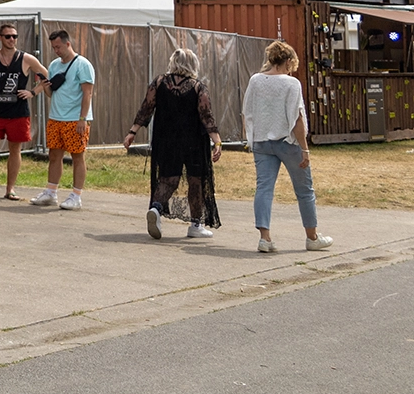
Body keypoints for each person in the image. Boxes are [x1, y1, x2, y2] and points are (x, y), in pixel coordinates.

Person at [243, 40, 331, 254]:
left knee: (264, 188)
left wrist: (250, 138)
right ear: (289, 61)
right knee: (304, 191)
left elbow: (247, 111)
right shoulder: (292, 84)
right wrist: (305, 148)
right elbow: (297, 118)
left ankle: (265, 238)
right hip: (287, 142)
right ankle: (312, 237)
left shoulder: (255, 80)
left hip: (262, 142)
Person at [124, 47, 222, 240]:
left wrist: (132, 132)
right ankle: (196, 224)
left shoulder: (159, 82)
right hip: (193, 141)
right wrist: (217, 142)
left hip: (166, 139)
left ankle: (156, 208)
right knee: (195, 181)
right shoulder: (198, 87)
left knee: (168, 179)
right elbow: (206, 116)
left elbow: (146, 108)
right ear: (193, 64)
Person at [0, 23, 46, 199]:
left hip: (18, 112)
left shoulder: (26, 59)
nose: (12, 39)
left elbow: (46, 76)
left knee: (15, 149)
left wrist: (33, 92)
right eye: (7, 36)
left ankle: (10, 188)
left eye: (14, 36)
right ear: (0, 38)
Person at [29, 30, 94, 209]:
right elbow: (51, 94)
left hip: (75, 118)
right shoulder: (54, 65)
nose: (56, 50)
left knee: (77, 156)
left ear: (67, 44)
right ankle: (51, 192)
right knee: (54, 155)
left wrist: (83, 118)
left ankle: (76, 196)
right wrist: (44, 86)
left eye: (58, 46)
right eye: (53, 47)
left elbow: (87, 93)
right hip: (56, 117)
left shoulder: (83, 64)